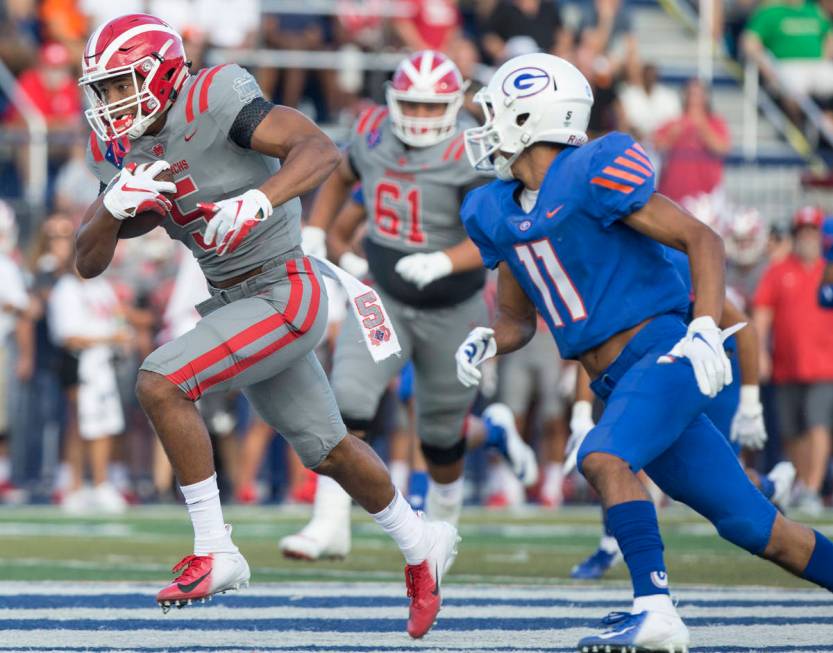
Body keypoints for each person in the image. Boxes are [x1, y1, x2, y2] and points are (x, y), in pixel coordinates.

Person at [75, 14, 457, 639]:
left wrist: (261, 198)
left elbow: (317, 149)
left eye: (123, 85)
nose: (113, 103)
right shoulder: (122, 151)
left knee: (159, 381)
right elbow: (88, 262)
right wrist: (111, 207)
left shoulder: (214, 95)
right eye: (105, 91)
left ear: (164, 73)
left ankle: (215, 546)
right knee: (329, 451)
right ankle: (422, 543)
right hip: (234, 304)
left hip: (285, 290)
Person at [456, 52, 833, 650]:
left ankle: (656, 610)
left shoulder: (592, 168)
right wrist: (487, 339)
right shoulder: (494, 209)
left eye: (496, 111)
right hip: (615, 381)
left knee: (603, 458)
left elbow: (699, 237)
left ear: (531, 116)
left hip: (663, 353)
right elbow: (516, 318)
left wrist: (705, 327)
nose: (484, 125)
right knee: (758, 529)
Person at [287, 50, 538, 560]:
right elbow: (340, 173)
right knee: (348, 401)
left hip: (455, 304)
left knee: (441, 435)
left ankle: (443, 526)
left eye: (431, 107)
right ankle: (329, 521)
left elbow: (503, 230)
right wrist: (317, 227)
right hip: (385, 297)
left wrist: (446, 260)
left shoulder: (475, 149)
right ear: (393, 100)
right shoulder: (374, 131)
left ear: (452, 104)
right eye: (412, 105)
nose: (420, 116)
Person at [754, 206, 833, 514]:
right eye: (802, 233)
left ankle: (813, 487)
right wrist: (760, 351)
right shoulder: (777, 271)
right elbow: (762, 314)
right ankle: (803, 484)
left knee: (817, 422)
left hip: (825, 365)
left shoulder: (827, 271)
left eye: (812, 233)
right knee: (792, 431)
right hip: (787, 366)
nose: (807, 239)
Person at [653, 79, 730, 204]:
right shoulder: (673, 123)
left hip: (707, 198)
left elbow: (722, 148)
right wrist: (674, 134)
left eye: (698, 95)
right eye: (691, 94)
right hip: (674, 196)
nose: (694, 99)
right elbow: (656, 147)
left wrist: (702, 128)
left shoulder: (716, 123)